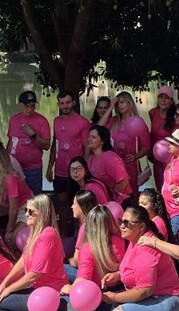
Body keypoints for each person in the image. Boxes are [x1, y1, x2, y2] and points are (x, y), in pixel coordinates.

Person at [0, 195, 68, 311]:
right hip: (37, 290)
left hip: (49, 291)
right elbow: (24, 260)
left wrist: (8, 290)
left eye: (31, 211)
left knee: (0, 304)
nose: (26, 214)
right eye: (26, 210)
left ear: (42, 213)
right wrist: (4, 284)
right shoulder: (35, 231)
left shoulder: (48, 234)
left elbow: (34, 274)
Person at [53, 204, 126, 311]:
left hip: (102, 303)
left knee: (56, 306)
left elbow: (82, 284)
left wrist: (67, 288)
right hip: (120, 296)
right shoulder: (120, 241)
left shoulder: (88, 249)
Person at [48, 92, 90, 232]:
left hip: (76, 172)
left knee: (78, 203)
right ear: (59, 104)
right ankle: (65, 234)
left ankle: (80, 232)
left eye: (67, 102)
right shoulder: (57, 121)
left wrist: (83, 170)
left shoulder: (83, 122)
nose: (65, 106)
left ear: (73, 103)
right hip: (60, 170)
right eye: (62, 103)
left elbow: (87, 147)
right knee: (62, 203)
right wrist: (50, 167)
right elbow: (55, 144)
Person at [101, 92, 150, 186]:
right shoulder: (113, 121)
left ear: (129, 103)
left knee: (130, 196)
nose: (119, 105)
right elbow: (98, 128)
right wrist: (110, 107)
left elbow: (146, 147)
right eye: (117, 103)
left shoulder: (138, 122)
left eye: (122, 102)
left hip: (129, 166)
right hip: (112, 166)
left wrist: (135, 156)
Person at [8, 90, 51, 194]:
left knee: (34, 201)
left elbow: (46, 146)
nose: (30, 109)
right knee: (14, 198)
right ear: (20, 104)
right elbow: (10, 141)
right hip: (13, 168)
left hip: (33, 169)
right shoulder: (13, 119)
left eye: (32, 106)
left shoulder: (42, 121)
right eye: (27, 106)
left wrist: (33, 135)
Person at [0, 146, 32, 238]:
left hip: (28, 209)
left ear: (1, 162)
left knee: (11, 237)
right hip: (18, 211)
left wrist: (10, 228)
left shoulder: (11, 179)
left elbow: (13, 208)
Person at [85, 125, 132, 202]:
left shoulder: (110, 157)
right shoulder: (91, 158)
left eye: (93, 137)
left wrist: (112, 201)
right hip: (104, 201)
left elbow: (124, 181)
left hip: (121, 200)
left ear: (102, 141)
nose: (89, 139)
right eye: (89, 136)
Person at [148, 86, 177, 188]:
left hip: (170, 156)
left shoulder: (175, 116)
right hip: (156, 156)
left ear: (171, 100)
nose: (163, 101)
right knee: (159, 184)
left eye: (166, 98)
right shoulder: (152, 113)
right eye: (161, 97)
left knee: (169, 184)